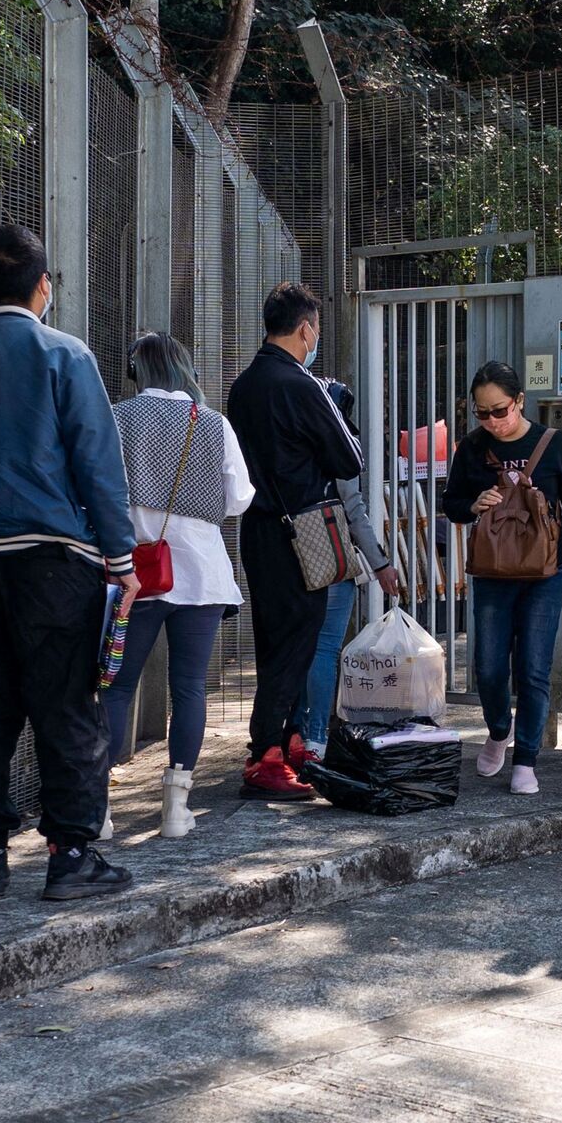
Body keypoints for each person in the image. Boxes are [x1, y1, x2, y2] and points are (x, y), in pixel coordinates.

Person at [0, 225, 140, 901]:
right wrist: (121, 557)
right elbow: (98, 464)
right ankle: (70, 854)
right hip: (55, 563)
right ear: (45, 287)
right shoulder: (65, 356)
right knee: (67, 706)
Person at [102, 332, 254, 838]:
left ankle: (95, 808)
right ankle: (176, 808)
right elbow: (239, 499)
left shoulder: (117, 419)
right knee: (188, 689)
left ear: (137, 373)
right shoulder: (213, 425)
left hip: (133, 576)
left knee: (117, 686)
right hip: (203, 576)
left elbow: (99, 489)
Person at [442, 361, 562, 796]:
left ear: (519, 402)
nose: (492, 421)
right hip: (493, 569)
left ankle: (526, 759)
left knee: (533, 666)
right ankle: (499, 729)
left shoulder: (552, 445)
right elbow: (452, 503)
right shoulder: (473, 449)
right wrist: (473, 504)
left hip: (545, 572)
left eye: (500, 410)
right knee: (491, 666)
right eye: (482, 413)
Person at [226, 282, 363, 801]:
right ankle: (266, 754)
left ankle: (287, 742)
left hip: (258, 530)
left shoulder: (243, 386)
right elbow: (349, 458)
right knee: (300, 638)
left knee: (272, 638)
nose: (316, 338)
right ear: (306, 329)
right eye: (317, 330)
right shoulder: (301, 384)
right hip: (302, 529)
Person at [285, 377, 400, 763]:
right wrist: (381, 563)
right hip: (329, 559)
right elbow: (354, 512)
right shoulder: (338, 446)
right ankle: (317, 737)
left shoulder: (289, 443)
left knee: (294, 649)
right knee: (324, 650)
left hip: (288, 556)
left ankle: (293, 734)